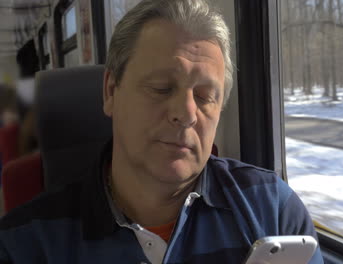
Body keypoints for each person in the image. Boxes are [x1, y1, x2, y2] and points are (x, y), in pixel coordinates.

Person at [0, 0, 324, 263]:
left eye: (204, 96)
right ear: (111, 91)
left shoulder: (271, 207)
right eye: (161, 87)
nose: (185, 114)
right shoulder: (26, 242)